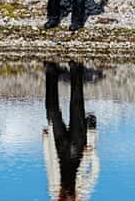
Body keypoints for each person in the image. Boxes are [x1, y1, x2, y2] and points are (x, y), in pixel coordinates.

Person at [43, 61, 100, 201]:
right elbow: (94, 172)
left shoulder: (54, 192)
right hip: (78, 150)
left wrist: (45, 142)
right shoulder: (83, 193)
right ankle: (76, 72)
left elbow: (50, 166)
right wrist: (92, 152)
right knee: (76, 107)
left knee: (52, 111)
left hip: (59, 149)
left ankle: (52, 72)